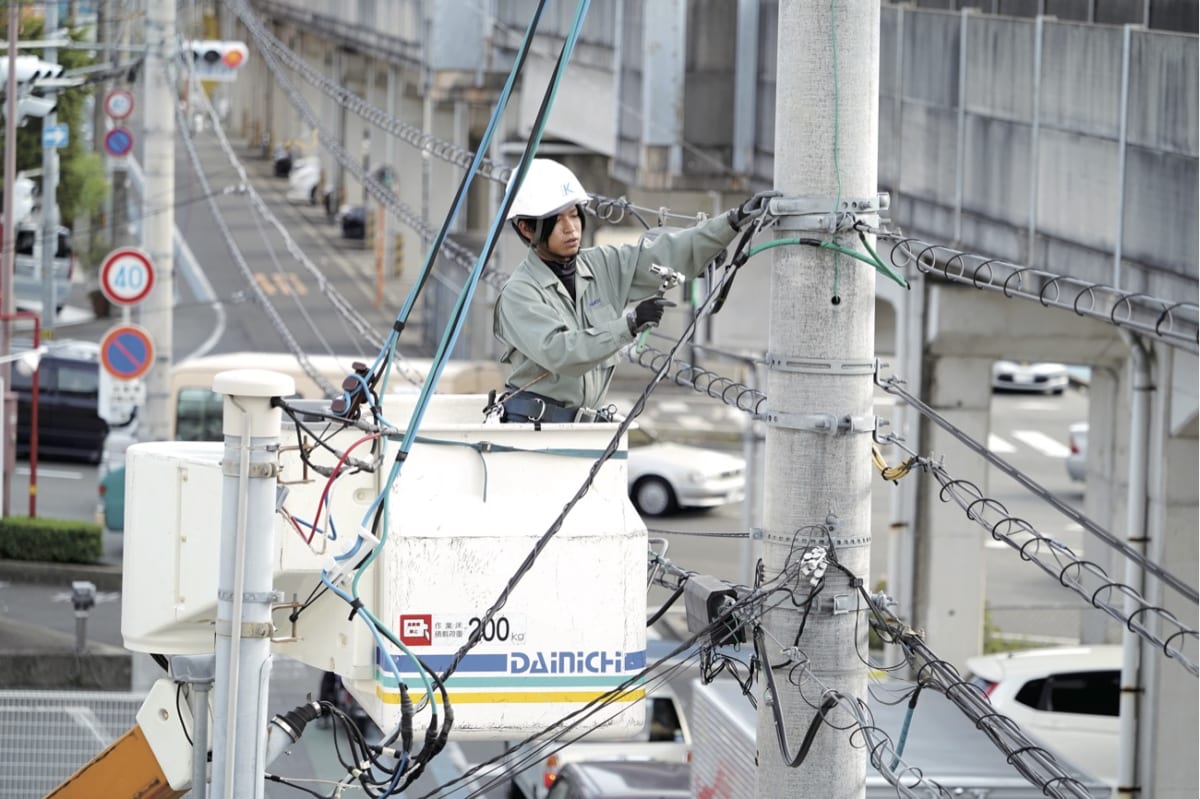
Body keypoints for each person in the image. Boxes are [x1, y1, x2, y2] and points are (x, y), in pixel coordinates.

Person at [493, 158, 773, 424]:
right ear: (527, 229)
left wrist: (732, 221)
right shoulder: (519, 294)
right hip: (532, 433)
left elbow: (666, 254)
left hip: (585, 431)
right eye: (557, 220)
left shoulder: (602, 264)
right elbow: (561, 353)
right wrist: (629, 324)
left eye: (574, 215)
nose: (571, 228)